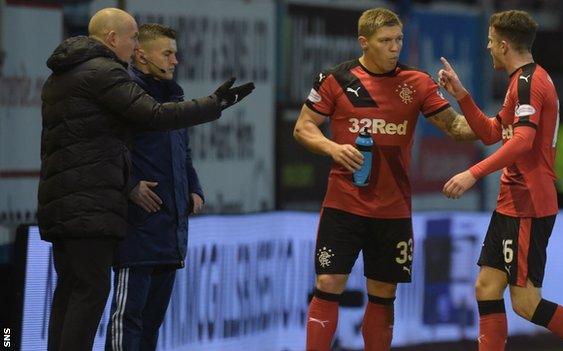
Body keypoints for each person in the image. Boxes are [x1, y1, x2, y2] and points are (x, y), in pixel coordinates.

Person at [38, 8, 254, 350]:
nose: (135, 45)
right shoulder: (104, 73)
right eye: (133, 37)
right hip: (91, 208)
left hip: (63, 204)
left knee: (70, 293)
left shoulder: (60, 76)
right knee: (90, 295)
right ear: (112, 39)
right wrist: (214, 104)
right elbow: (152, 114)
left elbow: (75, 146)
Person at [437, 9, 563, 351]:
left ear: (505, 45)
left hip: (528, 204)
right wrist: (461, 95)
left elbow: (522, 142)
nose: (488, 47)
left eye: (491, 42)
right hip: (513, 202)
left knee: (526, 303)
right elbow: (493, 132)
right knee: (486, 287)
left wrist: (472, 173)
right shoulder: (522, 82)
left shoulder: (528, 83)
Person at [293, 7, 476, 351]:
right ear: (364, 42)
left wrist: (497, 122)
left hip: (392, 209)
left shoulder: (417, 82)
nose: (395, 48)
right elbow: (303, 127)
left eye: (399, 40)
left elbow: (457, 128)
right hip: (343, 205)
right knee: (328, 281)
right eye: (386, 41)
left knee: (383, 292)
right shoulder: (335, 79)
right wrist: (332, 148)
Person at [103, 23, 203, 350]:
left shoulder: (174, 95)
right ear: (141, 55)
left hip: (169, 230)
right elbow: (103, 148)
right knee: (128, 318)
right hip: (138, 229)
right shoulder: (126, 94)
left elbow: (181, 151)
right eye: (168, 53)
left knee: (151, 323)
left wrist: (193, 185)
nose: (175, 60)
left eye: (176, 53)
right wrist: (130, 185)